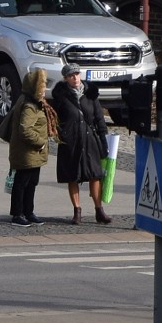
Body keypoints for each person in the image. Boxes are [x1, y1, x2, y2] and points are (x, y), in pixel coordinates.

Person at [51, 63, 112, 225]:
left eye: (77, 74)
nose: (75, 78)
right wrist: (62, 133)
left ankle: (99, 210)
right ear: (65, 79)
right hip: (70, 141)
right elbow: (54, 119)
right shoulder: (61, 96)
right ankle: (77, 211)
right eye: (71, 75)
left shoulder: (90, 94)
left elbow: (99, 118)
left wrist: (103, 140)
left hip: (90, 139)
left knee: (95, 175)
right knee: (73, 176)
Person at [7, 68, 59, 228]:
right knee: (22, 183)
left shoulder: (37, 103)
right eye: (42, 87)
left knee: (32, 182)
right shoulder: (29, 106)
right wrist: (41, 142)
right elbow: (25, 129)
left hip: (33, 153)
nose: (44, 90)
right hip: (27, 152)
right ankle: (18, 214)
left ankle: (28, 212)